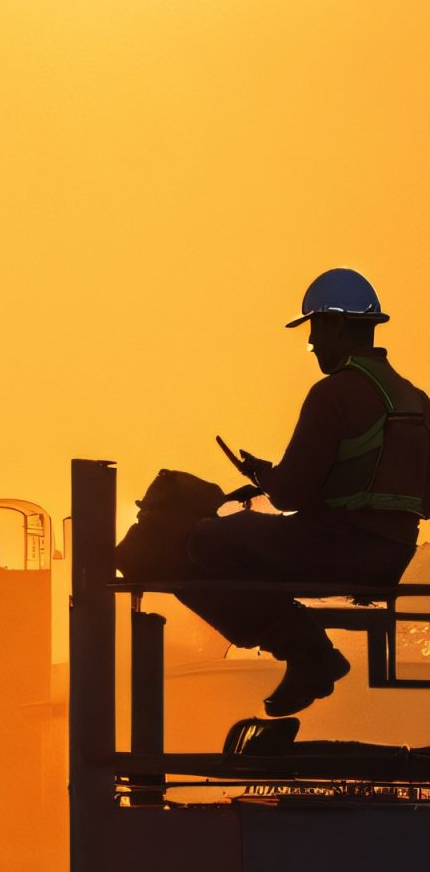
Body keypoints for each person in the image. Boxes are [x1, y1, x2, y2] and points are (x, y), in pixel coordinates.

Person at [180, 269, 430, 716]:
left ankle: (306, 652)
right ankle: (306, 650)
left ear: (335, 324)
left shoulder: (333, 393)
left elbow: (290, 495)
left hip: (338, 548)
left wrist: (263, 477)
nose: (312, 343)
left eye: (315, 329)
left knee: (205, 540)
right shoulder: (416, 400)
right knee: (250, 544)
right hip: (391, 557)